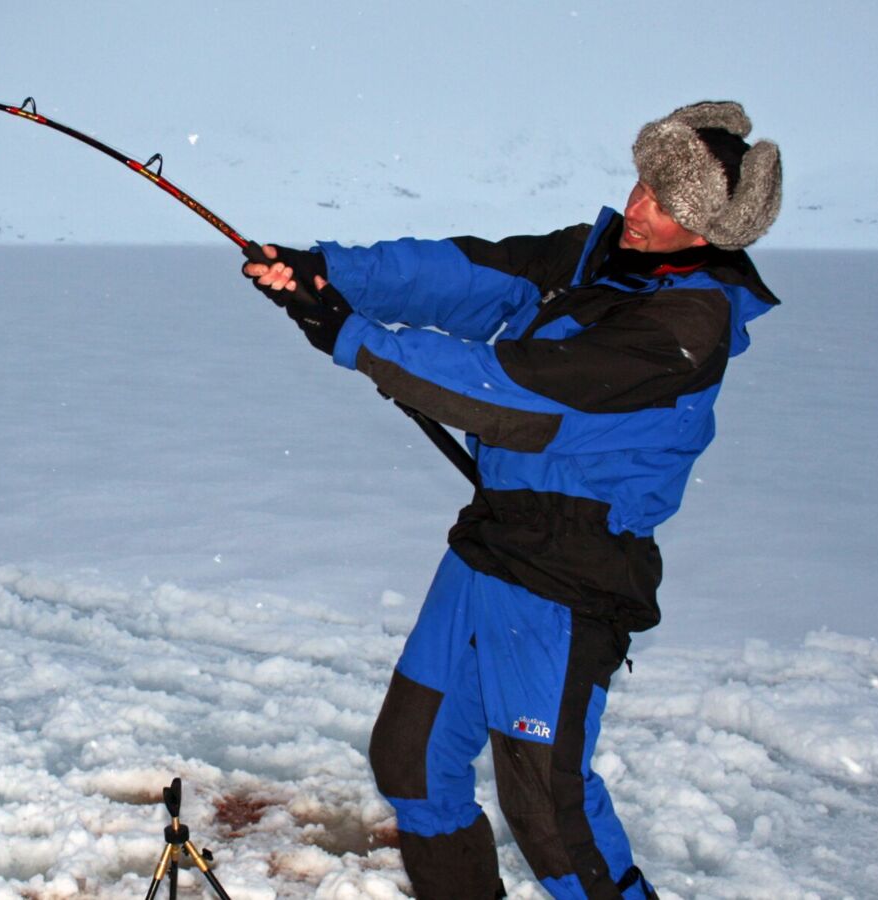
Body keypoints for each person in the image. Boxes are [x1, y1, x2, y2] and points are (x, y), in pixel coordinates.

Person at [242, 101, 782, 899]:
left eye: (663, 206)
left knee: (550, 814)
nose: (637, 210)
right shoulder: (593, 257)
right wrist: (328, 273)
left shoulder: (684, 325)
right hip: (494, 540)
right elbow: (468, 276)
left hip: (572, 572)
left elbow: (518, 395)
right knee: (414, 762)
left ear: (706, 228)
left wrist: (352, 337)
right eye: (640, 185)